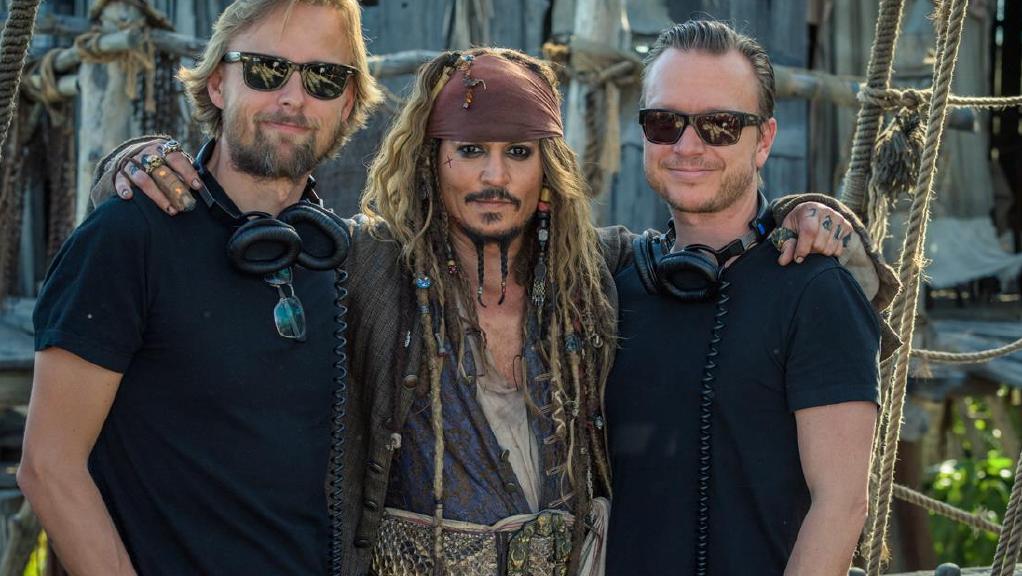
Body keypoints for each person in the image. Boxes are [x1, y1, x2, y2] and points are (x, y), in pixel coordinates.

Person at [86, 48, 890, 576]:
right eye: (469, 151)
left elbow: (716, 247)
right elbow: (248, 228)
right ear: (431, 163)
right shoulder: (367, 263)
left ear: (547, 171)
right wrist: (135, 163)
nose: (494, 177)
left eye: (517, 153)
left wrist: (811, 213)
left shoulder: (600, 271)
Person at [19, 1, 381, 574]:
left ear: (348, 102)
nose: (293, 97)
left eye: (324, 77)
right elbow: (48, 466)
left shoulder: (347, 260)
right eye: (265, 69)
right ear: (217, 83)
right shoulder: (128, 236)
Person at [604, 20, 883, 576]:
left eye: (721, 125)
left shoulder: (817, 291)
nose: (687, 146)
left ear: (765, 141)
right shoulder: (611, 283)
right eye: (664, 122)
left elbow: (842, 503)